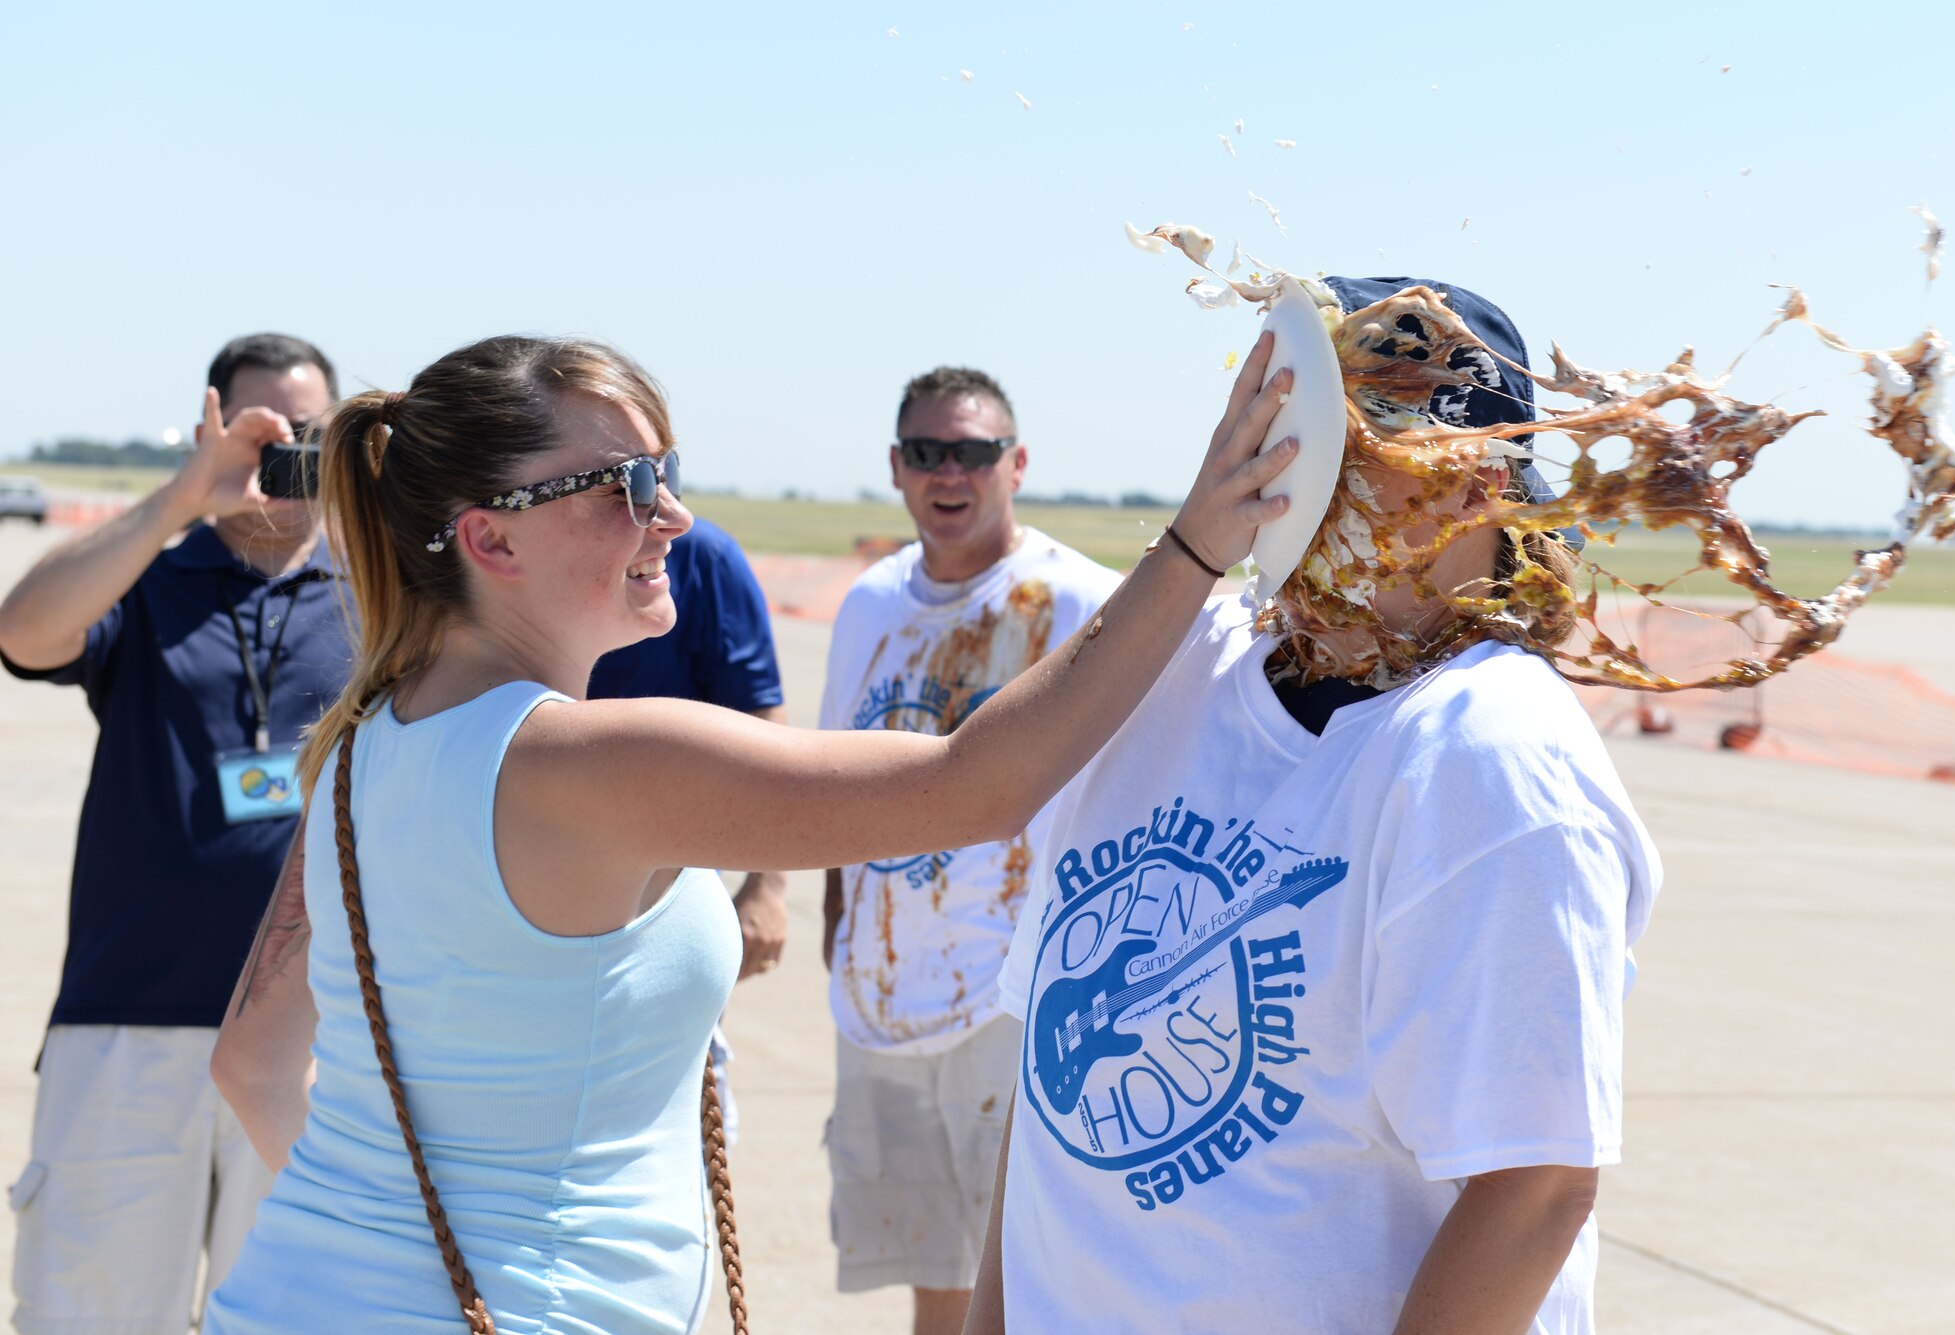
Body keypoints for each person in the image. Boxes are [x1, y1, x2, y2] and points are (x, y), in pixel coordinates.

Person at [202, 332, 1296, 1333]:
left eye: (665, 476)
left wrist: (381, 1234)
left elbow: (253, 1065)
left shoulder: (354, 751)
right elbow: (979, 785)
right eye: (625, 486)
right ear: (490, 537)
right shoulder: (586, 761)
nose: (672, 516)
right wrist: (1197, 547)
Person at [964, 278, 1664, 1334]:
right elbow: (1049, 1105)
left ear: (1473, 483)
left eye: (1350, 444)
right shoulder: (1170, 666)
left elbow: (1531, 1189)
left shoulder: (1486, 756)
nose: (1291, 475)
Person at [0, 333, 348, 1333]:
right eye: (265, 433)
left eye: (310, 434)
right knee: (93, 1313)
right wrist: (183, 498)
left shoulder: (379, 602)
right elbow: (25, 633)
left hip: (317, 1039)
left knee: (294, 1317)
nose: (287, 460)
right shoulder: (148, 578)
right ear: (213, 428)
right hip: (128, 1022)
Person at [816, 366, 1123, 1333]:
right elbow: (835, 783)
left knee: (1028, 1278)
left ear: (1016, 463)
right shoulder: (869, 603)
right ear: (898, 469)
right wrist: (837, 931)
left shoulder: (1080, 600)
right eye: (926, 452)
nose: (950, 471)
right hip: (881, 1000)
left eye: (975, 450)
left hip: (1018, 1001)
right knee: (933, 1279)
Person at [590, 516, 790, 1141]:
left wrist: (769, 884)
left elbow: (763, 726)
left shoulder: (702, 559)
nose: (666, 512)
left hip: (663, 910)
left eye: (663, 471)